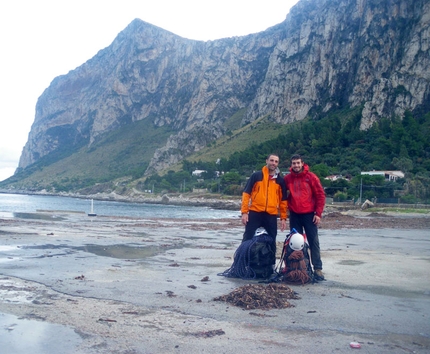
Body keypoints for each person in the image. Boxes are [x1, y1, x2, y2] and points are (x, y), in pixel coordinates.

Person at [284, 154, 326, 280]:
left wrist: (318, 214)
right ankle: (296, 267)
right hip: (295, 215)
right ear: (291, 165)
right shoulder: (287, 179)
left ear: (302, 163)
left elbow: (320, 195)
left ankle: (317, 269)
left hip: (309, 214)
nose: (296, 165)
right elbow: (281, 195)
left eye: (298, 163)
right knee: (294, 243)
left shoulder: (311, 177)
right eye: (294, 163)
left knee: (313, 241)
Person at [241, 154, 288, 246]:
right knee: (247, 239)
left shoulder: (280, 181)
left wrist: (283, 218)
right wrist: (244, 212)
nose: (273, 163)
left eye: (276, 161)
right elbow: (246, 194)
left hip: (271, 214)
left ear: (278, 163)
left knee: (271, 240)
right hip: (255, 212)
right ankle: (242, 259)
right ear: (267, 161)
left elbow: (283, 200)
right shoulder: (256, 176)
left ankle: (270, 260)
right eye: (271, 160)